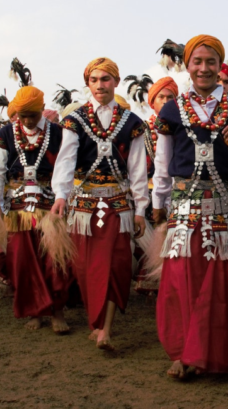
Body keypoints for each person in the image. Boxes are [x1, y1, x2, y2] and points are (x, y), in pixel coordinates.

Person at [152, 35, 228, 379]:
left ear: (220, 66)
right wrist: (158, 204)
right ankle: (183, 352)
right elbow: (163, 162)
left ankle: (208, 355)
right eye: (197, 62)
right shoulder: (171, 109)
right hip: (183, 207)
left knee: (216, 283)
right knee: (179, 281)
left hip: (222, 208)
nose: (204, 68)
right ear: (187, 66)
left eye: (211, 62)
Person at [50, 57, 149, 351]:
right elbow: (66, 160)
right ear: (87, 84)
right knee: (86, 268)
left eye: (106, 79)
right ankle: (97, 324)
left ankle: (106, 329)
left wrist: (141, 208)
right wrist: (59, 195)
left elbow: (137, 170)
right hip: (83, 209)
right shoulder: (74, 120)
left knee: (116, 266)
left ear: (116, 82)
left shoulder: (133, 123)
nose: (100, 85)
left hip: (120, 207)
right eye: (94, 80)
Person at [0, 86, 71, 332]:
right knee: (22, 261)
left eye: (33, 115)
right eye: (23, 116)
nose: (27, 121)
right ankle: (34, 311)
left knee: (55, 260)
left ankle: (57, 312)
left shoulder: (58, 133)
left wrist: (63, 197)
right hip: (17, 211)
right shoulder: (6, 133)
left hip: (51, 206)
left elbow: (67, 166)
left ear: (41, 110)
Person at [134, 76, 178, 294]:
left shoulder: (181, 127)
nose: (166, 101)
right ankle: (148, 277)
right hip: (148, 191)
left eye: (171, 97)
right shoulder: (141, 130)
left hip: (177, 192)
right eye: (161, 97)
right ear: (152, 102)